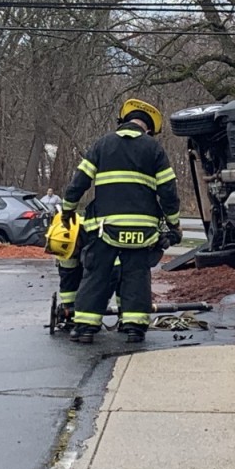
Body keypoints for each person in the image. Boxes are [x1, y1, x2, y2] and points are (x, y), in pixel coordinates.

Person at [61, 98, 182, 344]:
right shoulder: (154, 150)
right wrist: (174, 225)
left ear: (123, 121)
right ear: (149, 129)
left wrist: (67, 210)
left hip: (105, 228)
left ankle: (84, 328)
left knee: (97, 274)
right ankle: (134, 328)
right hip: (143, 230)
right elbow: (168, 191)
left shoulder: (103, 144)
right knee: (136, 275)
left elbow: (79, 182)